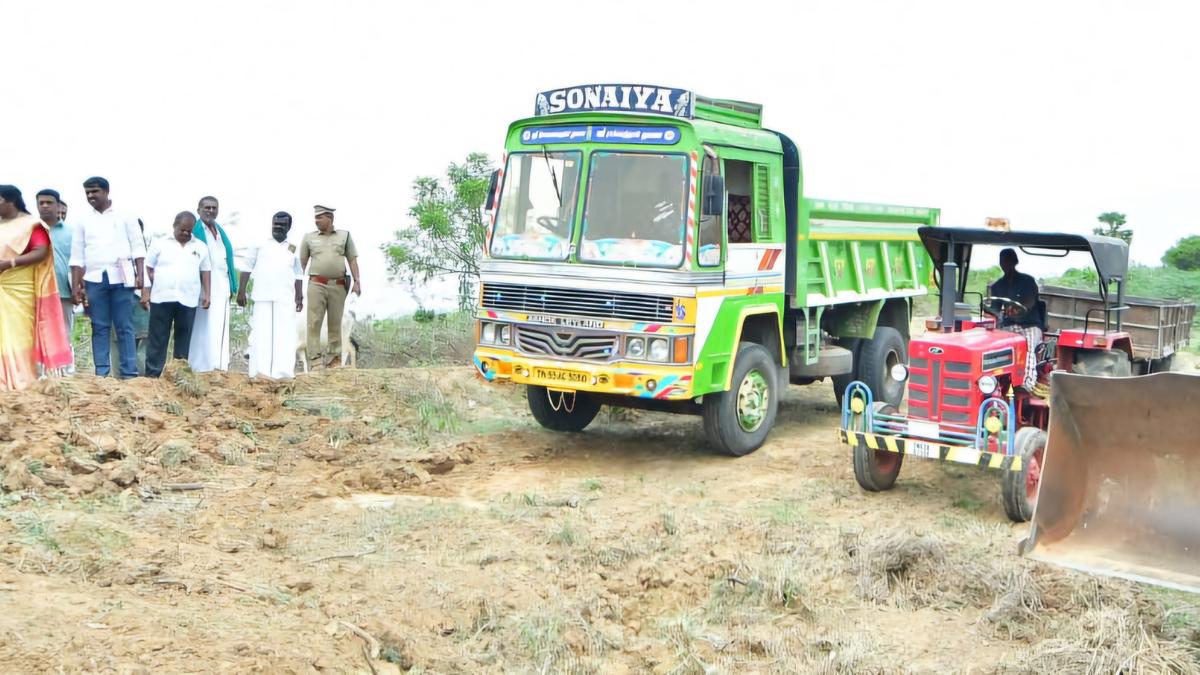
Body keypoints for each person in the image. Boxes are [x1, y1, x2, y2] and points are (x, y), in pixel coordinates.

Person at [69, 176, 145, 379]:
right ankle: (101, 374)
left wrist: (141, 276)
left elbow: (138, 247)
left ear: (106, 191)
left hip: (122, 277)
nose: (91, 196)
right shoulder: (83, 220)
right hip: (94, 279)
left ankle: (129, 373)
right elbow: (77, 255)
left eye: (95, 191)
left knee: (124, 325)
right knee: (99, 326)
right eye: (87, 192)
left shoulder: (125, 216)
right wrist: (76, 285)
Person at [0, 185, 72, 390]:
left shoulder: (31, 224)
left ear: (11, 201)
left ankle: (21, 377)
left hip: (19, 289)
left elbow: (40, 251)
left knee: (18, 332)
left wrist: (9, 263)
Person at [141, 213, 211, 378]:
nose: (186, 233)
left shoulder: (200, 246)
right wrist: (146, 292)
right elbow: (147, 267)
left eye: (189, 230)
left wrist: (208, 293)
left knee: (183, 338)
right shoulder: (160, 243)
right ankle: (153, 375)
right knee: (158, 338)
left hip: (188, 299)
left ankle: (179, 376)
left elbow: (206, 271)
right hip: (162, 297)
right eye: (182, 230)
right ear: (174, 226)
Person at [238, 212, 304, 379]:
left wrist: (299, 296)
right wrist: (241, 290)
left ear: (289, 227)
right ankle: (259, 373)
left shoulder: (293, 246)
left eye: (282, 225)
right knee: (261, 335)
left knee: (284, 335)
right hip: (262, 295)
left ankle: (282, 374)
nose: (278, 227)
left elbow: (298, 274)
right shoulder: (260, 243)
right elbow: (247, 266)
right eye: (275, 224)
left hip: (285, 297)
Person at [299, 204, 360, 369]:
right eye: (315, 218)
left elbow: (352, 259)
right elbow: (301, 265)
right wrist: (297, 289)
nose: (316, 221)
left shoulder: (344, 236)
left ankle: (334, 358)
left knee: (335, 322)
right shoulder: (308, 238)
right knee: (314, 322)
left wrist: (357, 281)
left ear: (330, 218)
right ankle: (315, 360)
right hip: (316, 284)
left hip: (338, 285)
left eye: (320, 217)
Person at [188, 196, 237, 372]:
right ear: (198, 210)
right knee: (203, 325)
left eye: (214, 208)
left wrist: (232, 285)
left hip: (222, 284)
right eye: (207, 207)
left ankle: (218, 365)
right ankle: (200, 365)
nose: (210, 211)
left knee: (219, 325)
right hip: (204, 285)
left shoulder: (219, 231)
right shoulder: (195, 231)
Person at [990, 248, 1042, 389]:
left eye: (1008, 261)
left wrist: (1017, 309)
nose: (1005, 264)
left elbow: (1030, 302)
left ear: (1015, 262)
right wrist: (993, 312)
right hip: (1008, 325)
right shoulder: (997, 286)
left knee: (1028, 350)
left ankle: (1027, 384)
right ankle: (996, 383)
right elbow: (995, 308)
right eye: (1003, 261)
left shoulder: (1028, 281)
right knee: (996, 350)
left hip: (1029, 324)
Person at [36, 189, 75, 374]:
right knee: (38, 332)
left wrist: (78, 288)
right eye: (41, 203)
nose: (44, 206)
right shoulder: (32, 230)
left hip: (64, 290)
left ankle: (63, 373)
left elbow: (77, 263)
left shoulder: (71, 232)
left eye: (49, 202)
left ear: (58, 206)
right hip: (37, 290)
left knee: (63, 331)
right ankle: (41, 373)